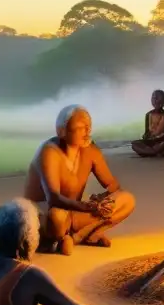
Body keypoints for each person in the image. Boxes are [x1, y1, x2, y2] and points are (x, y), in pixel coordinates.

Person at [23, 104, 136, 254]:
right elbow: (53, 198)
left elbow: (112, 184)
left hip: (74, 212)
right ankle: (55, 239)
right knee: (56, 217)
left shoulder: (90, 150)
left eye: (89, 126)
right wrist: (87, 207)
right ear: (62, 131)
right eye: (81, 127)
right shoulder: (50, 152)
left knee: (127, 200)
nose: (87, 131)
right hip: (46, 214)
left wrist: (103, 199)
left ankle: (81, 236)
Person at [131, 89, 164, 157]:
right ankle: (153, 152)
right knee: (134, 144)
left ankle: (149, 152)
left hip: (161, 141)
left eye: (158, 98)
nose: (155, 101)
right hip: (151, 142)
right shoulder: (148, 114)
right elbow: (147, 132)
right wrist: (146, 136)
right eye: (154, 98)